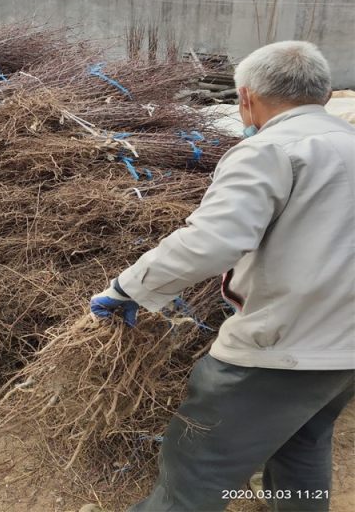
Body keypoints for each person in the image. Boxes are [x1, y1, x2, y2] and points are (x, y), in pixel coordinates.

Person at [90, 41, 355, 512]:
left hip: (281, 348)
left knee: (196, 468)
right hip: (344, 351)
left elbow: (212, 241)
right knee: (302, 442)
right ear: (329, 94)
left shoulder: (270, 150)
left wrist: (127, 289)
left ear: (247, 99)